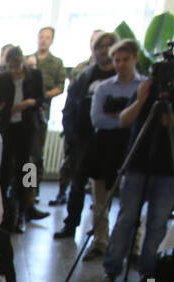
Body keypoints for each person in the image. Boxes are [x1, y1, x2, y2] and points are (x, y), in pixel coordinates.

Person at [102, 56, 174, 282]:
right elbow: (124, 120)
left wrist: (170, 121)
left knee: (157, 223)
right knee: (126, 218)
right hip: (137, 164)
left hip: (169, 168)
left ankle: (149, 274)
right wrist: (141, 100)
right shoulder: (149, 87)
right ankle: (111, 268)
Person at [64, 38, 141, 260]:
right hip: (100, 146)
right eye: (117, 60)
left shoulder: (144, 86)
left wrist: (117, 117)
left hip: (133, 147)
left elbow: (141, 122)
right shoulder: (100, 85)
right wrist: (126, 117)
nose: (121, 64)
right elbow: (98, 120)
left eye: (125, 59)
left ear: (134, 59)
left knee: (132, 200)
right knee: (99, 199)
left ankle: (132, 248)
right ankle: (100, 241)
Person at [53, 32, 117, 244]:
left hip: (108, 142)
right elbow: (69, 107)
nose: (104, 50)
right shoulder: (84, 75)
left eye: (109, 45)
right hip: (82, 139)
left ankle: (101, 236)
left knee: (101, 191)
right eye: (100, 46)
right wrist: (71, 135)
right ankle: (71, 224)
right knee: (77, 184)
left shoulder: (121, 77)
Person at [0, 47, 44, 232]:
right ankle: (5, 212)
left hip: (27, 127)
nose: (14, 68)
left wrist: (29, 103)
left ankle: (26, 206)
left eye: (16, 64)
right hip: (7, 126)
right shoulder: (2, 77)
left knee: (28, 167)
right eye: (11, 64)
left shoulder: (34, 75)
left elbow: (40, 98)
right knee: (5, 169)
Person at [52, 31, 104, 205]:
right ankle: (62, 196)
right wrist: (70, 130)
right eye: (94, 42)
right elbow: (71, 100)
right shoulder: (81, 70)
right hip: (79, 131)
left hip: (101, 135)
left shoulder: (113, 73)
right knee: (71, 170)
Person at [25, 27, 64, 221]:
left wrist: (42, 96)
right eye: (41, 37)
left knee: (34, 158)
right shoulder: (28, 59)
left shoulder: (56, 63)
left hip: (40, 116)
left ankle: (31, 194)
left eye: (47, 38)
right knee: (25, 159)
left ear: (52, 40)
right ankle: (22, 196)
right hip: (23, 115)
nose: (43, 40)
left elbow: (60, 87)